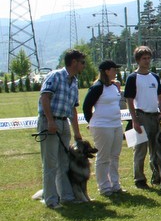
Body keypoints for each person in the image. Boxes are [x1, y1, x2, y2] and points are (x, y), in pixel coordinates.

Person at [37, 49, 87, 208]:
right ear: (73, 62)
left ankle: (66, 196)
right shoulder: (55, 76)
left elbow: (73, 109)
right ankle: (50, 199)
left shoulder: (75, 81)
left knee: (64, 162)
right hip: (49, 122)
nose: (84, 66)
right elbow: (45, 97)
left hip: (64, 122)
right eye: (82, 63)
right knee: (50, 163)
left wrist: (77, 133)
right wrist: (50, 121)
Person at [124, 46, 161, 189]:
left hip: (155, 117)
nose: (147, 61)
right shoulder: (132, 78)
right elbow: (129, 100)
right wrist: (134, 120)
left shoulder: (154, 77)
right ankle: (140, 179)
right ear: (138, 60)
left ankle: (157, 176)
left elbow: (160, 96)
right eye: (144, 59)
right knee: (140, 150)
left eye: (149, 58)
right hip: (141, 116)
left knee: (156, 149)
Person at [83, 60, 125, 197]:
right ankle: (104, 187)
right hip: (102, 126)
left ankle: (115, 184)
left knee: (115, 156)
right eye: (114, 69)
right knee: (103, 157)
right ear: (106, 71)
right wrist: (92, 121)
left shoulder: (113, 86)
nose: (116, 72)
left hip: (116, 124)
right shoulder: (97, 87)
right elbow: (86, 106)